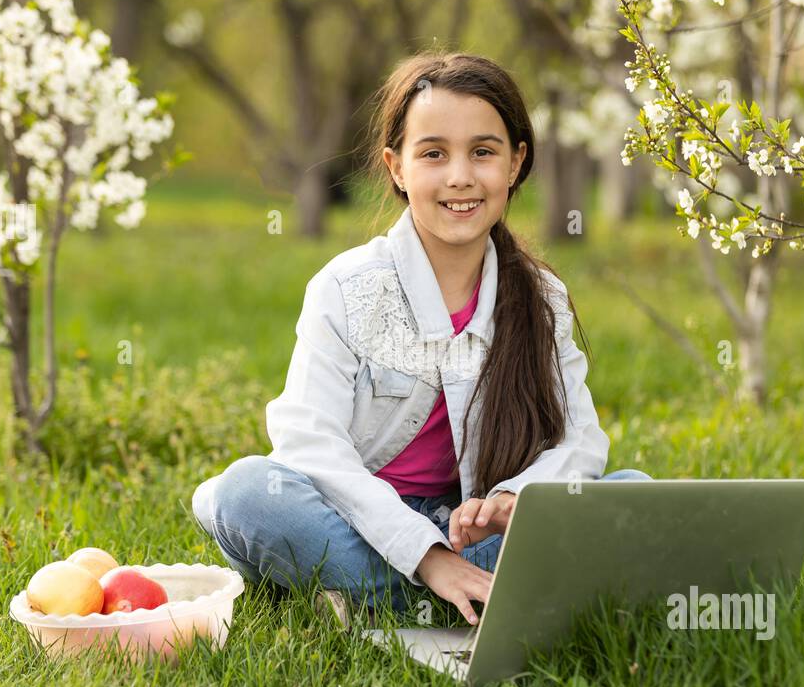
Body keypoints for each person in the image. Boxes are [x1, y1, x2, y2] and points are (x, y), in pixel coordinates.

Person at [192, 50, 651, 629]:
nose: (460, 176)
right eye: (434, 153)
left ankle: (372, 598)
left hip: (473, 535)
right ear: (397, 167)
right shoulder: (346, 287)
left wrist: (517, 498)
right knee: (248, 493)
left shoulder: (540, 297)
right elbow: (308, 443)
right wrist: (427, 557)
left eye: (483, 152)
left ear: (515, 163)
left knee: (630, 492)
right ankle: (445, 597)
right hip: (357, 525)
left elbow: (581, 440)